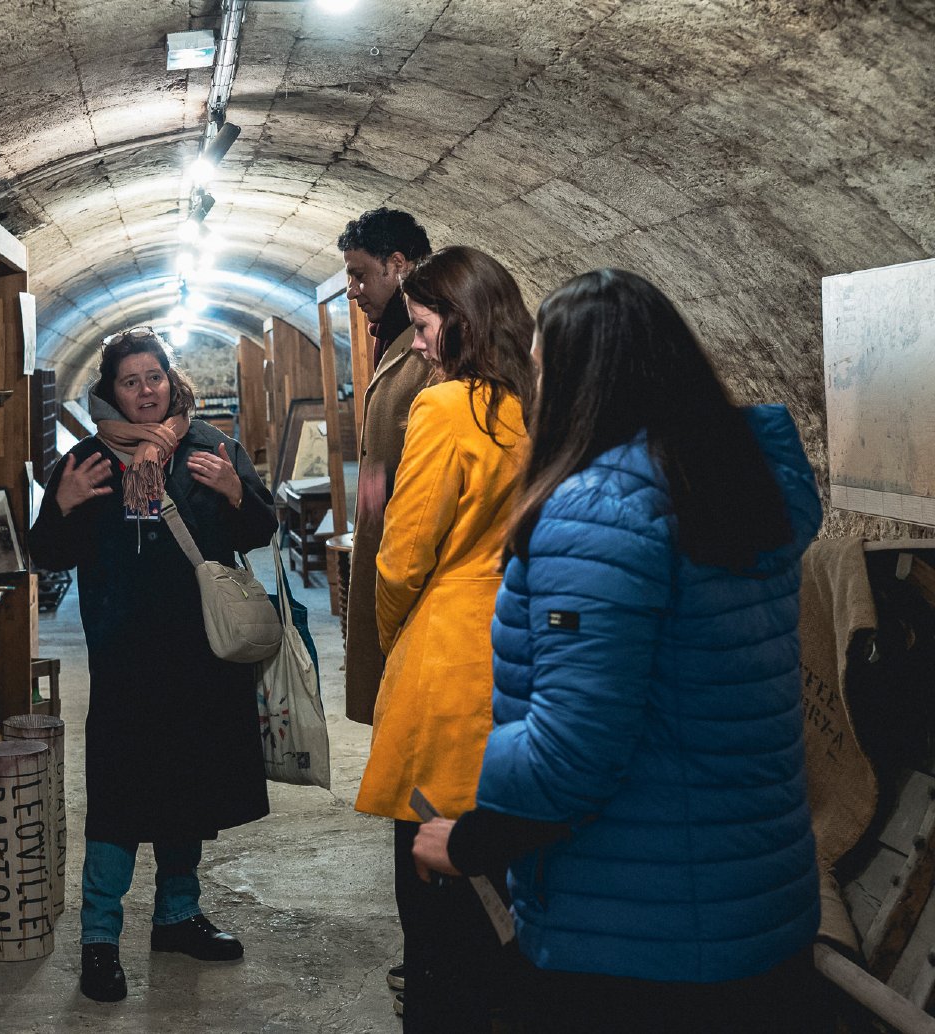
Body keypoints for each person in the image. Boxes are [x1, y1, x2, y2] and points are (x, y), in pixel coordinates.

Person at [412, 269, 826, 1033]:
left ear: (576, 379)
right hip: (760, 905)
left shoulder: (601, 513)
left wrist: (474, 841)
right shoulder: (737, 489)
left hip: (636, 937)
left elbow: (574, 749)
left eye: (541, 365)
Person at [26, 328, 277, 1004]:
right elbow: (45, 553)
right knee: (117, 802)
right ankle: (100, 940)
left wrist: (233, 492)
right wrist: (67, 505)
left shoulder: (213, 449)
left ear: (173, 381)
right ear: (110, 391)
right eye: (131, 381)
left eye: (155, 377)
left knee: (186, 791)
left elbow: (260, 529)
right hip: (125, 663)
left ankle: (177, 915)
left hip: (200, 660)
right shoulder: (86, 462)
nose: (145, 391)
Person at [352, 246, 536, 1031]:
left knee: (433, 893)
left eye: (425, 328)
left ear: (461, 325)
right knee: (506, 892)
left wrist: (399, 638)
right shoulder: (541, 403)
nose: (418, 343)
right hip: (521, 655)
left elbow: (400, 559)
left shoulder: (444, 406)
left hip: (448, 661)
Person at [338, 208, 434, 737]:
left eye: (359, 274)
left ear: (397, 265)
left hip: (414, 571)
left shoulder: (429, 347)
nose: (352, 289)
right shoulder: (389, 336)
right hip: (391, 553)